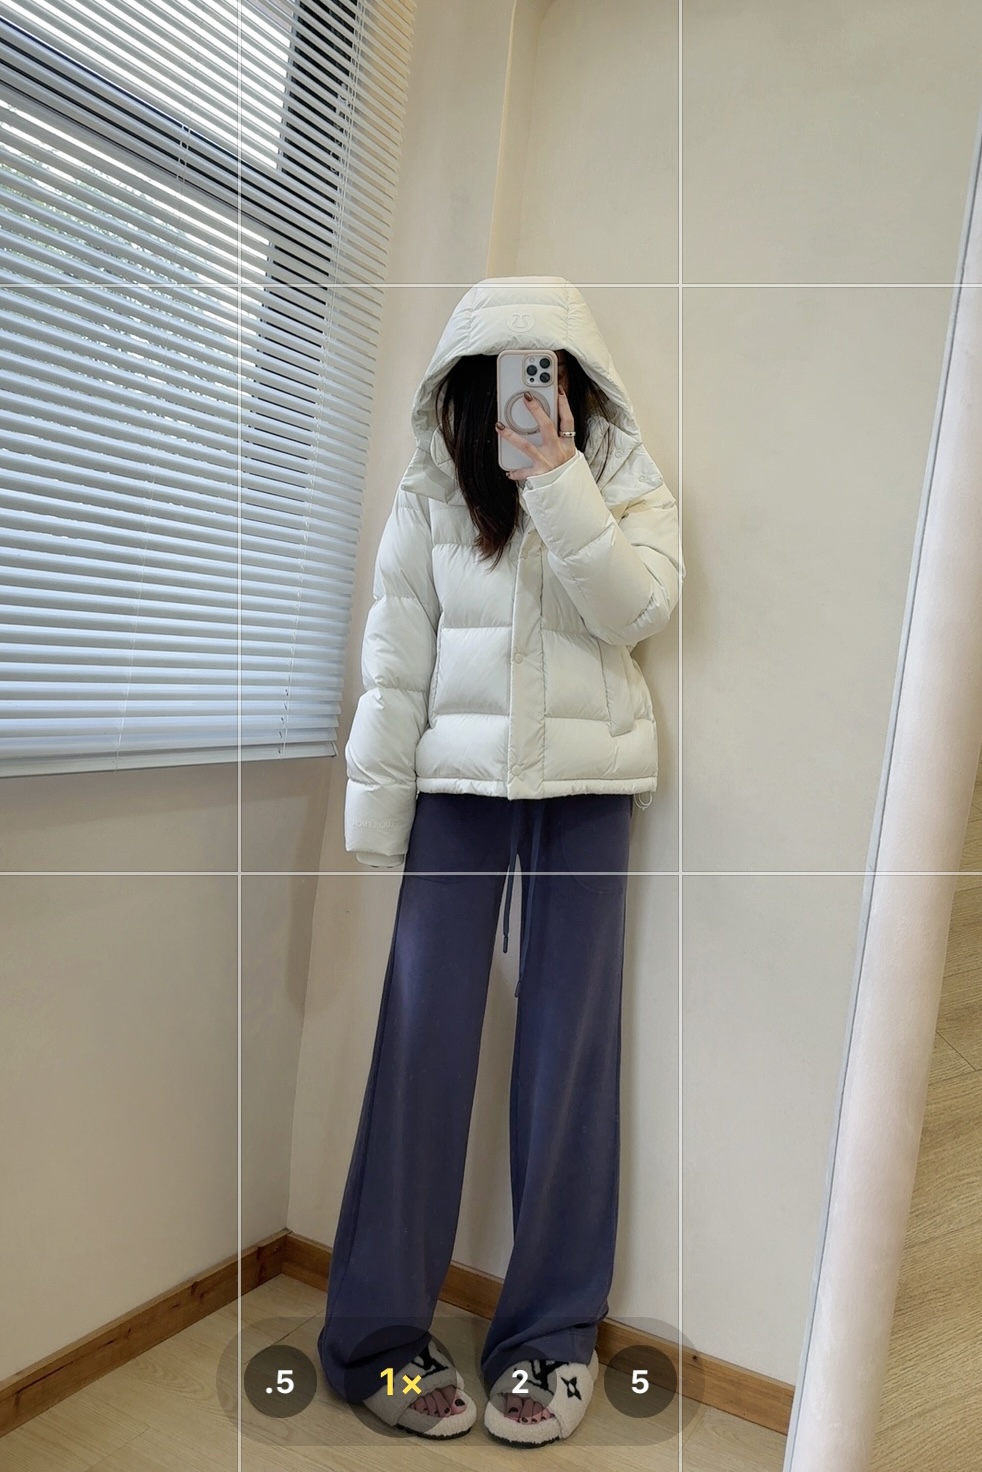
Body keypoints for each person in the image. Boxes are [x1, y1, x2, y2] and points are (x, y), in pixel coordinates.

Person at [317, 276, 684, 1446]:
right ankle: (373, 1337)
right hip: (456, 792)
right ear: (474, 383)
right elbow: (396, 648)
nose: (532, 388)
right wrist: (377, 814)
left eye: (551, 366)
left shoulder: (619, 473)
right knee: (419, 1046)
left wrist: (557, 477)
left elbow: (637, 609)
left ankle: (549, 1335)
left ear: (576, 376)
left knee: (570, 1055)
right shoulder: (433, 481)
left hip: (588, 791)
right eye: (512, 370)